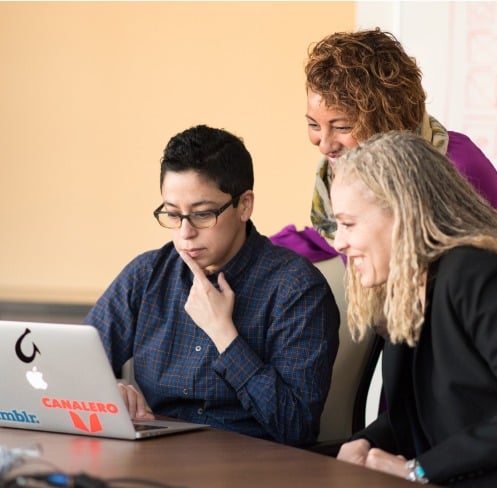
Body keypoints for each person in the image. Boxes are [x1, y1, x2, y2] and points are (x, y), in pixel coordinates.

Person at [83, 124, 339, 447]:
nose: (185, 233)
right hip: (156, 460)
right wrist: (110, 391)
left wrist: (224, 334)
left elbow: (296, 426)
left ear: (244, 205)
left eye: (202, 215)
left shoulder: (296, 290)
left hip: (253, 467)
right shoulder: (147, 275)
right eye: (173, 215)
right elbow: (75, 366)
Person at [331, 131, 497, 487]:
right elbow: (422, 414)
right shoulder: (406, 290)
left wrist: (418, 470)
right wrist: (366, 442)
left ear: (402, 212)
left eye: (348, 223)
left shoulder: (480, 275)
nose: (338, 242)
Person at [304, 28, 497, 243]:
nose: (324, 146)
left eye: (342, 127)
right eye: (313, 125)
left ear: (386, 120)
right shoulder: (339, 175)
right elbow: (322, 238)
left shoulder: (457, 166)